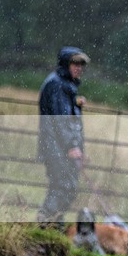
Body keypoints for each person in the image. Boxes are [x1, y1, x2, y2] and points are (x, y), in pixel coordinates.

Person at [37, 46, 90, 229]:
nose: (79, 68)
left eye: (82, 64)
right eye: (75, 63)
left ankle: (53, 226)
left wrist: (77, 105)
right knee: (62, 187)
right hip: (57, 148)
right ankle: (45, 223)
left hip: (61, 148)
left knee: (66, 188)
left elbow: (69, 118)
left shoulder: (66, 86)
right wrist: (71, 146)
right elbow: (61, 121)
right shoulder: (57, 85)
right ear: (65, 64)